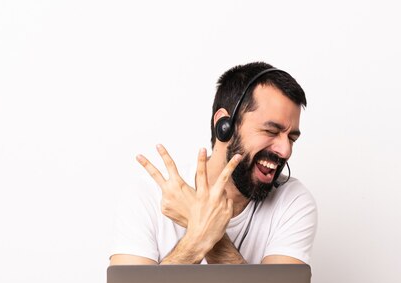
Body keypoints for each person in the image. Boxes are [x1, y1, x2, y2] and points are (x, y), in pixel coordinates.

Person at [109, 62, 317, 266]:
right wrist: (195, 242)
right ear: (224, 125)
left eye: (291, 138)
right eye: (271, 131)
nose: (286, 150)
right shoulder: (148, 196)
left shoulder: (292, 201)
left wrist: (205, 228)